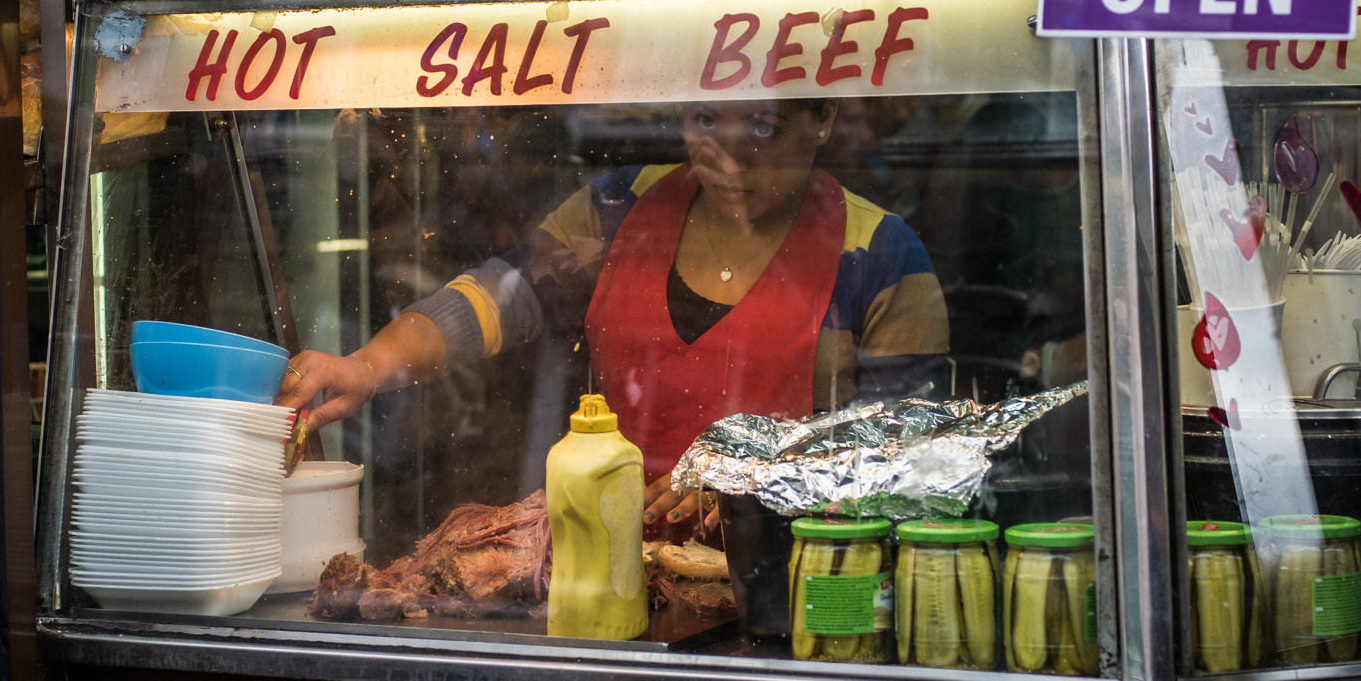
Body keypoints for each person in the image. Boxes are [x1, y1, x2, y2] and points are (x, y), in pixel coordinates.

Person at [279, 98, 949, 538]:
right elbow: (493, 299)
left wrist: (750, 489)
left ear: (824, 117)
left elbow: (910, 468)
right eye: (706, 122)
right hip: (615, 564)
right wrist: (366, 367)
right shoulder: (619, 208)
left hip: (794, 584)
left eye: (765, 127)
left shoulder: (881, 255)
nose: (729, 158)